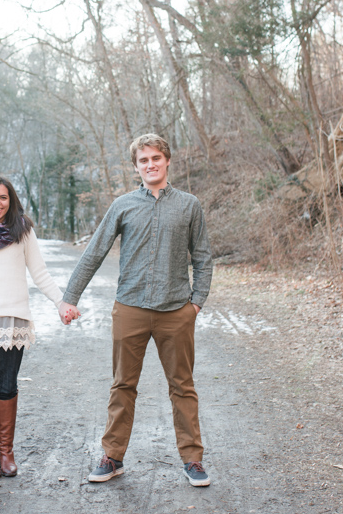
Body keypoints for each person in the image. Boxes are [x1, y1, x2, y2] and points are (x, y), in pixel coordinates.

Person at [59, 133, 213, 487]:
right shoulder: (123, 205)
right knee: (123, 385)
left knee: (182, 386)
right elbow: (94, 252)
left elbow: (203, 256)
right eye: (143, 160)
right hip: (130, 307)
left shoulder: (189, 205)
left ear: (167, 160)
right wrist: (70, 297)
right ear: (136, 166)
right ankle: (113, 457)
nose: (150, 164)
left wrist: (197, 302)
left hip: (176, 310)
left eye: (156, 158)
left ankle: (193, 460)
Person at [0, 175, 79, 478]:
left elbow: (40, 273)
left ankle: (7, 453)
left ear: (11, 201)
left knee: (7, 387)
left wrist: (62, 302)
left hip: (15, 321)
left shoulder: (23, 231)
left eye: (3, 197)